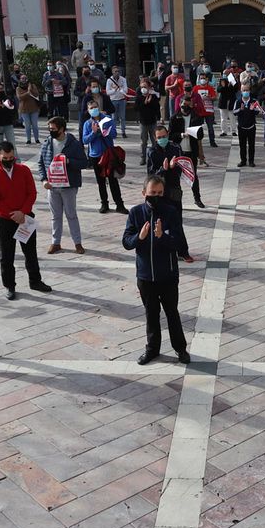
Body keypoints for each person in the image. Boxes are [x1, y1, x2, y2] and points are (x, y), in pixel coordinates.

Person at [123, 176, 192, 366]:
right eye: (153, 193)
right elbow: (126, 242)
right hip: (145, 276)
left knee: (172, 313)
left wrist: (161, 237)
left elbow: (179, 243)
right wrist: (140, 236)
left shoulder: (170, 212)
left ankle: (181, 348)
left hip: (168, 276)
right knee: (151, 314)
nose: (156, 197)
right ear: (144, 192)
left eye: (160, 193)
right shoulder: (136, 213)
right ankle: (152, 349)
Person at [0, 140, 51, 301]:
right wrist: (12, 214)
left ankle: (35, 281)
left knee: (30, 253)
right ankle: (10, 285)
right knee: (6, 256)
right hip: (5, 221)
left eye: (11, 157)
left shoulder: (24, 170)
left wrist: (22, 212)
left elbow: (32, 193)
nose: (9, 160)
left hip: (26, 218)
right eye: (5, 158)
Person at [38, 117, 86, 255]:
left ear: (62, 129)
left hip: (68, 186)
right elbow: (41, 163)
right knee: (55, 216)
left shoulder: (74, 144)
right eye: (50, 129)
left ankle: (77, 243)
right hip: (52, 186)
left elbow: (84, 162)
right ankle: (55, 243)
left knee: (71, 215)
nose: (51, 131)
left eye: (53, 129)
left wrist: (69, 161)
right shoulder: (47, 143)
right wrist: (43, 180)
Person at [81, 106, 126, 213]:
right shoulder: (87, 123)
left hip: (108, 154)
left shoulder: (107, 119)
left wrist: (105, 131)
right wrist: (94, 132)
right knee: (100, 181)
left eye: (95, 107)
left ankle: (119, 204)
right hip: (95, 156)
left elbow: (114, 134)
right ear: (88, 110)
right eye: (91, 108)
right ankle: (104, 203)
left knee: (112, 180)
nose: (94, 109)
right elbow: (85, 140)